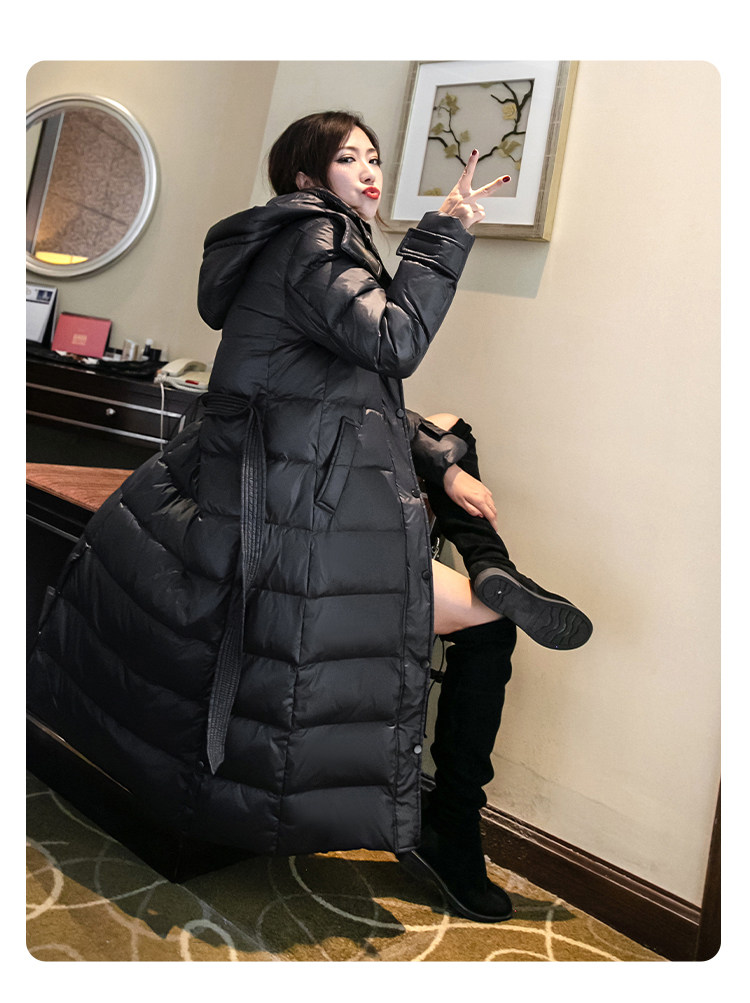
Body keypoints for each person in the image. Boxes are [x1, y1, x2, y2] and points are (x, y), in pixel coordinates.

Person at [27, 110, 591, 927]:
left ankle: (486, 562)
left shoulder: (308, 242)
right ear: (304, 176)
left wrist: (442, 463)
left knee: (451, 447)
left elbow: (344, 393)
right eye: (347, 158)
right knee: (489, 622)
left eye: (374, 157)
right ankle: (452, 827)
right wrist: (444, 234)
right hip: (289, 514)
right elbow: (395, 343)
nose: (369, 171)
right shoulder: (313, 241)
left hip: (288, 485)